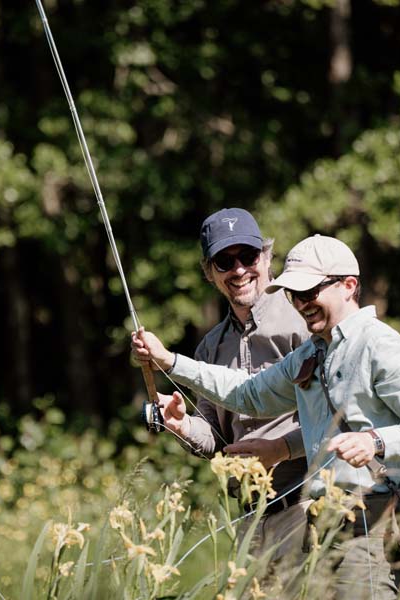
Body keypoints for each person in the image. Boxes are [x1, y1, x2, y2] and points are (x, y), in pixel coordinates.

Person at [132, 234, 400, 599]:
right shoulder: (312, 352)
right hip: (328, 522)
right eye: (294, 295)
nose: (302, 304)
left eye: (311, 291)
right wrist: (170, 361)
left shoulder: (381, 344)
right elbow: (247, 394)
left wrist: (375, 442)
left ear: (349, 286)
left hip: (373, 520)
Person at [153, 207, 312, 563]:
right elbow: (215, 440)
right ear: (209, 273)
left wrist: (281, 449)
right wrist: (180, 425)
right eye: (224, 262)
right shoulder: (209, 347)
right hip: (249, 521)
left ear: (267, 257)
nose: (239, 269)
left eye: (248, 256)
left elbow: (337, 420)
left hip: (308, 509)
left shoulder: (304, 323)